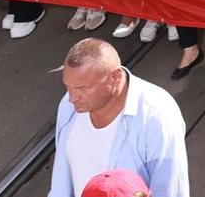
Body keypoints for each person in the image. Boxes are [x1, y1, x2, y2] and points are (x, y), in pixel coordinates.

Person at [50, 38, 189, 197]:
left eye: (82, 88)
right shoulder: (69, 105)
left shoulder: (157, 118)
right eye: (68, 87)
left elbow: (170, 190)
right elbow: (61, 181)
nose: (72, 97)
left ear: (115, 77)